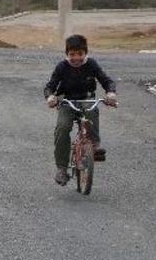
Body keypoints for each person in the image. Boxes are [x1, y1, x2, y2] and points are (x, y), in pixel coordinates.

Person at [44, 34, 117, 186]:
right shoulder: (62, 67)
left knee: (91, 110)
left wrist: (110, 93)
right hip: (67, 100)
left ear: (86, 53)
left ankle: (94, 145)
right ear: (67, 54)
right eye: (72, 54)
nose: (76, 58)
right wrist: (50, 97)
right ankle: (62, 169)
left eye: (80, 54)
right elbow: (50, 86)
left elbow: (106, 80)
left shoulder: (91, 64)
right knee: (62, 128)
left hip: (86, 98)